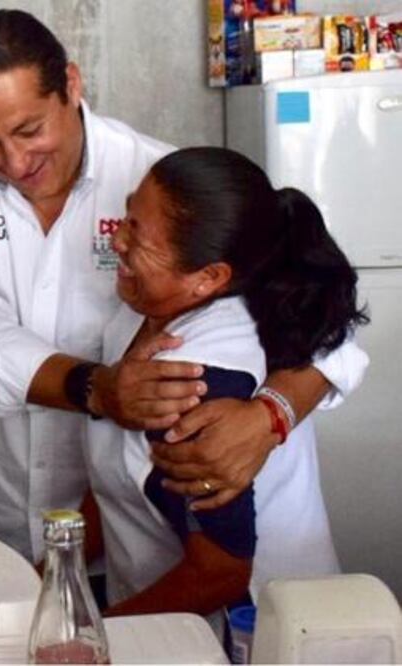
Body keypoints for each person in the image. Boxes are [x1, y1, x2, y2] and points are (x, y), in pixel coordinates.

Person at [0, 9, 368, 561]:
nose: (13, 161)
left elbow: (322, 323)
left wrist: (270, 415)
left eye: (30, 130)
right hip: (12, 496)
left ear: (72, 86)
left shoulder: (156, 180)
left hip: (146, 524)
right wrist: (100, 390)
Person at [86, 146, 367, 617]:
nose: (116, 241)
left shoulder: (191, 381)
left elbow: (219, 571)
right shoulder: (138, 317)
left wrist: (88, 637)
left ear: (208, 278)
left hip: (254, 629)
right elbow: (114, 475)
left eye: (138, 235)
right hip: (151, 622)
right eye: (127, 218)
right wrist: (52, 576)